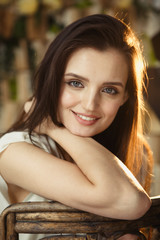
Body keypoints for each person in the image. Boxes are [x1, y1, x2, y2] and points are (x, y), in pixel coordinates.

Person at [0, 14, 153, 240]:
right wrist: (54, 129)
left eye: (109, 89)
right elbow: (130, 201)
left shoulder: (135, 153)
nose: (90, 104)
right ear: (51, 81)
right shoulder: (13, 152)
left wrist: (55, 128)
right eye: (75, 83)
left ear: (125, 97)